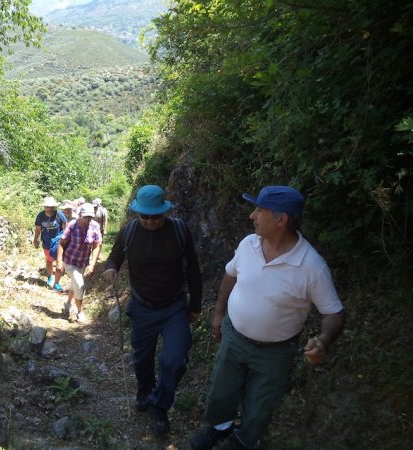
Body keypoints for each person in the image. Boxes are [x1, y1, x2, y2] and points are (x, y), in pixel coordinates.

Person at [190, 186, 345, 450]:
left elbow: (333, 312)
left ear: (281, 220)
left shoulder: (311, 266)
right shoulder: (248, 244)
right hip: (234, 337)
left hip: (275, 352)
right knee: (221, 391)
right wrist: (218, 313)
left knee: (260, 405)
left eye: (259, 210)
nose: (252, 215)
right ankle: (218, 427)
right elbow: (230, 276)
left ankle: (245, 441)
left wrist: (324, 339)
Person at [103, 185, 202, 435]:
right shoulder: (129, 231)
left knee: (175, 359)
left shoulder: (179, 230)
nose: (149, 221)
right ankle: (144, 391)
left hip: (174, 307)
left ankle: (159, 405)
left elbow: (192, 268)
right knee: (142, 356)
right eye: (144, 216)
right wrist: (111, 268)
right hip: (141, 306)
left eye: (155, 216)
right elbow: (115, 257)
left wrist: (195, 304)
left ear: (164, 212)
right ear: (137, 212)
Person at [56, 203, 102, 323]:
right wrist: (59, 262)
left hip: (83, 262)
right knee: (80, 284)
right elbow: (62, 243)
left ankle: (67, 304)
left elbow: (97, 245)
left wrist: (92, 264)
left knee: (75, 284)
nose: (87, 219)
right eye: (85, 217)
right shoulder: (72, 224)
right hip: (69, 260)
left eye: (90, 217)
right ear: (80, 215)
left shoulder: (95, 226)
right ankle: (80, 312)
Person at [33, 196, 66, 292]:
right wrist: (35, 240)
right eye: (47, 207)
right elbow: (38, 229)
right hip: (46, 242)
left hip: (58, 242)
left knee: (59, 261)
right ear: (44, 207)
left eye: (51, 207)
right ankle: (50, 277)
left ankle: (57, 283)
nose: (50, 209)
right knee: (49, 260)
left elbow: (65, 226)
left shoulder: (59, 214)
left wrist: (66, 239)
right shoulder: (41, 216)